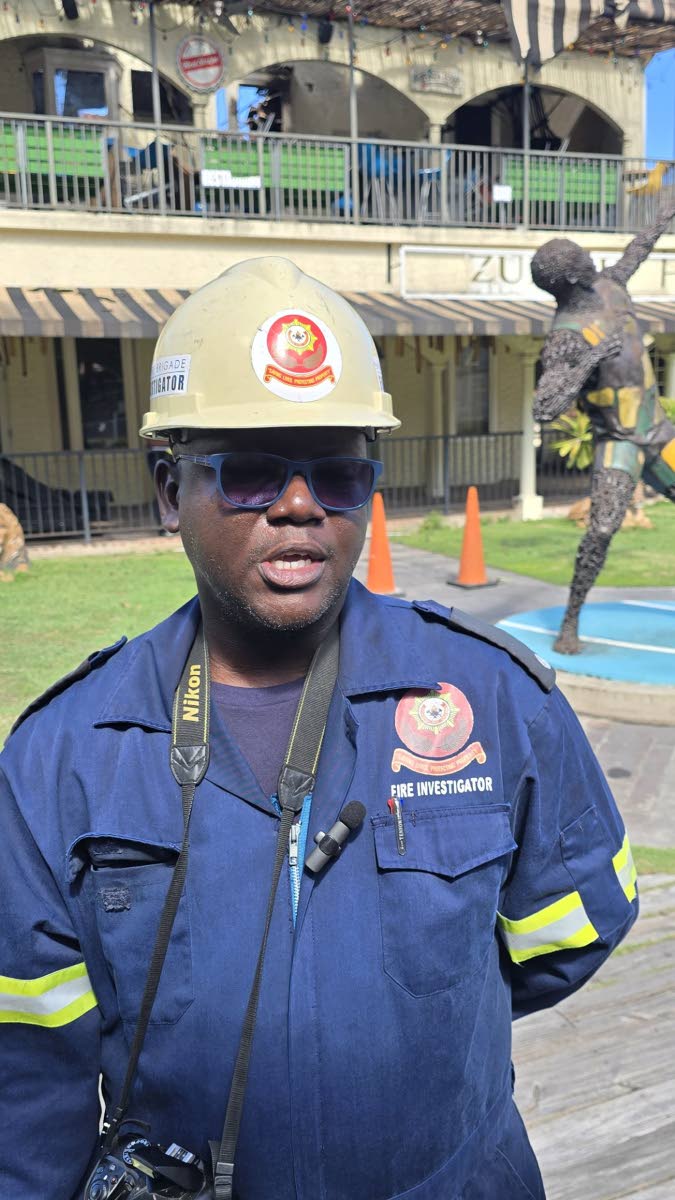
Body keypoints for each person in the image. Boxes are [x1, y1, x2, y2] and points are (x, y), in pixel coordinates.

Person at [0, 257, 638, 1200]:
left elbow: (573, 930)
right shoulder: (66, 752)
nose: (299, 507)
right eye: (251, 472)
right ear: (171, 490)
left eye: (335, 475)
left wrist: (407, 1035)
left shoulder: (489, 697)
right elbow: (28, 1073)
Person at [531, 201, 675, 653]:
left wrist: (667, 209)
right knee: (601, 531)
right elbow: (544, 407)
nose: (592, 259)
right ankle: (570, 621)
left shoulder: (612, 284)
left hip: (660, 430)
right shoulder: (567, 335)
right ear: (572, 278)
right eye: (582, 258)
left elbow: (639, 247)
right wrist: (592, 356)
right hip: (620, 444)